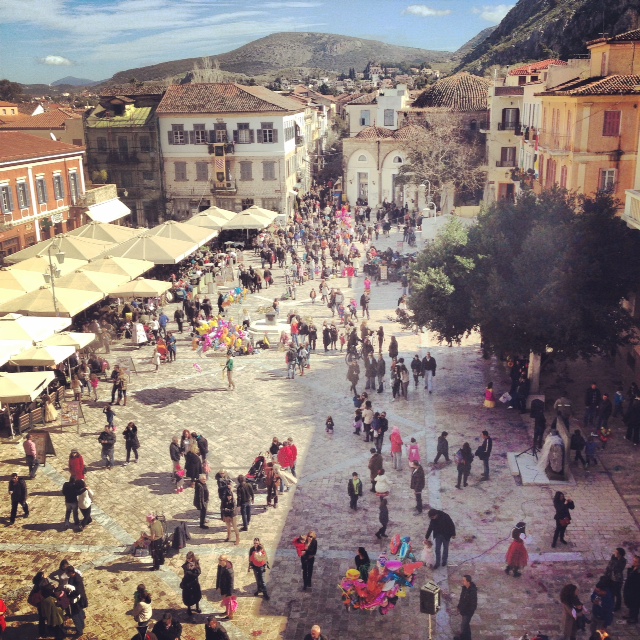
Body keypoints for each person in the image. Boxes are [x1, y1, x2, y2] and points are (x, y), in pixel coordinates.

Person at [67, 565, 88, 637]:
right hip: (76, 600)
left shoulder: (77, 580)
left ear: (71, 572)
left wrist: (70, 590)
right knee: (80, 613)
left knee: (75, 616)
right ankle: (82, 625)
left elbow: (78, 592)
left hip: (77, 601)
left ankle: (79, 631)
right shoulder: (73, 577)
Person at [455, 575, 477, 640]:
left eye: (464, 581)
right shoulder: (464, 588)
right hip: (463, 610)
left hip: (468, 612)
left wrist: (469, 611)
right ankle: (468, 638)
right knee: (466, 626)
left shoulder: (472, 591)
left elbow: (473, 603)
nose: (463, 582)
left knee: (463, 626)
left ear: (468, 582)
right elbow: (461, 598)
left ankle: (462, 637)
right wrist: (459, 606)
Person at [604, 547, 626, 611]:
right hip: (610, 578)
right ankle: (611, 604)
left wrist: (616, 561)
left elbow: (618, 569)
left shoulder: (623, 560)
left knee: (617, 593)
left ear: (620, 554)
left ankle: (617, 606)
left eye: (616, 552)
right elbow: (609, 566)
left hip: (617, 580)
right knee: (611, 593)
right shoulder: (613, 557)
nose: (614, 553)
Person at [181, 551, 202, 615]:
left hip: (194, 583)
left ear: (192, 558)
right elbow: (185, 574)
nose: (188, 560)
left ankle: (197, 607)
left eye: (189, 558)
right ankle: (189, 608)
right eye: (187, 558)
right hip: (188, 583)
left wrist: (193, 570)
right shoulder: (186, 565)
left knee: (196, 595)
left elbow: (198, 572)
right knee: (188, 597)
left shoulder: (196, 564)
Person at [623, 554, 640, 624]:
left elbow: (634, 580)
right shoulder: (633, 568)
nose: (634, 563)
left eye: (636, 562)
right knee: (630, 603)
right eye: (634, 561)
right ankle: (630, 614)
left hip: (636, 592)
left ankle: (634, 618)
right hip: (629, 589)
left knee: (635, 605)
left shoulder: (638, 572)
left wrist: (633, 572)